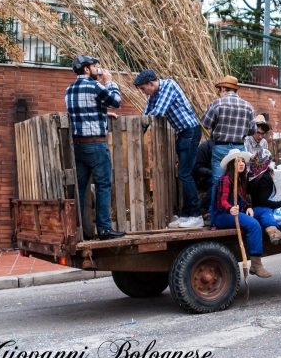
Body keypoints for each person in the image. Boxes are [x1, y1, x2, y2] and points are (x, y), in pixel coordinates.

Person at [133, 69, 203, 229]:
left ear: (151, 83)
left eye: (143, 89)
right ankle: (186, 215)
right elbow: (147, 113)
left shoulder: (168, 86)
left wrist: (144, 124)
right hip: (183, 133)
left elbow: (157, 112)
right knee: (184, 174)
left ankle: (196, 215)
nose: (144, 93)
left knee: (185, 174)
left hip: (190, 132)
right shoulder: (154, 94)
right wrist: (139, 133)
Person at [65, 55, 125, 240]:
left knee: (80, 189)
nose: (97, 69)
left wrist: (104, 113)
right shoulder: (94, 86)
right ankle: (105, 230)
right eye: (94, 66)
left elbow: (83, 111)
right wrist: (110, 82)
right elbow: (116, 101)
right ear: (86, 69)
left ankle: (79, 231)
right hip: (96, 145)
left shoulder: (69, 90)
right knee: (103, 186)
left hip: (78, 146)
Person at [201, 75, 257, 226]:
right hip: (239, 147)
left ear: (223, 89)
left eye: (220, 90)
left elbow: (205, 123)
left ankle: (214, 219)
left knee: (217, 183)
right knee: (238, 181)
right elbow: (253, 130)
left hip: (220, 146)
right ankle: (237, 212)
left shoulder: (217, 104)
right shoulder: (248, 106)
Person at [212, 148, 271, 277]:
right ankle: (256, 264)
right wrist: (230, 208)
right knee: (254, 225)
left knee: (259, 212)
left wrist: (248, 206)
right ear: (231, 164)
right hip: (222, 215)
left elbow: (243, 199)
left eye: (243, 161)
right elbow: (222, 201)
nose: (242, 164)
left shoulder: (239, 180)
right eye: (238, 161)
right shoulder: (226, 179)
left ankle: (273, 230)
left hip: (234, 213)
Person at [193, 139, 214, 213]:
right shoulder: (205, 146)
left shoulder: (228, 146)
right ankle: (204, 208)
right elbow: (198, 168)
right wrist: (213, 173)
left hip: (221, 176)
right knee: (217, 182)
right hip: (205, 178)